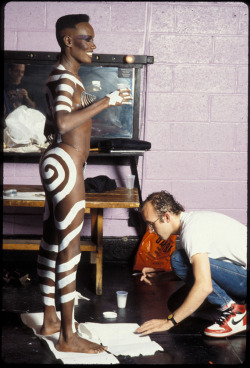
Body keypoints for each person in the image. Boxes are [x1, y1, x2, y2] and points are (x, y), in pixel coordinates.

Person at [37, 14, 132, 354]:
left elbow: (65, 121)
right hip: (65, 163)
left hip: (57, 161)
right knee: (70, 248)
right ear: (67, 41)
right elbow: (64, 122)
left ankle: (50, 319)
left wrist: (96, 106)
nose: (93, 45)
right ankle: (66, 335)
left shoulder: (66, 77)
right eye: (86, 39)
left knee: (52, 241)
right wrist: (108, 101)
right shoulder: (66, 80)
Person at [136, 191, 247, 338]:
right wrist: (162, 277)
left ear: (166, 217)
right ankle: (232, 307)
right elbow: (200, 269)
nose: (150, 230)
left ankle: (234, 311)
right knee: (177, 303)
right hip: (240, 276)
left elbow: (204, 285)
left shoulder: (192, 231)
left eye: (151, 224)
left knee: (178, 259)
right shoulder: (190, 224)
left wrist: (169, 322)